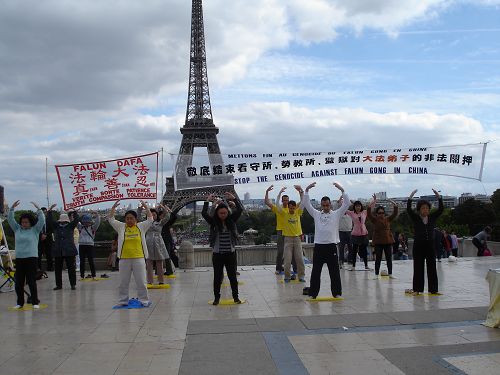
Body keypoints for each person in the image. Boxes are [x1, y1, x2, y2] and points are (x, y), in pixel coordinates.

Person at [300, 182, 349, 298]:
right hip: (319, 246)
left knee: (334, 272)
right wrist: (307, 190)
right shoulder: (317, 214)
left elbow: (346, 203)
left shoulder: (336, 214)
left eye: (327, 205)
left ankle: (336, 293)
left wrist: (342, 189)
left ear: (330, 205)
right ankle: (313, 293)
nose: (325, 207)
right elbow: (307, 204)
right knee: (316, 271)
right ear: (321, 205)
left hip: (331, 245)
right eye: (323, 205)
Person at [108, 200, 153, 307]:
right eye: (127, 218)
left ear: (136, 219)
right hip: (124, 258)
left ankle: (144, 300)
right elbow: (111, 219)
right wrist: (113, 208)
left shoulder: (141, 227)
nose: (129, 220)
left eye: (131, 218)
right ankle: (123, 300)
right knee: (123, 282)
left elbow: (150, 219)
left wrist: (146, 208)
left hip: (139, 258)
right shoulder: (121, 227)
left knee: (141, 281)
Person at [202, 192, 243, 305]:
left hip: (230, 253)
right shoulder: (214, 222)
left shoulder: (231, 221)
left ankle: (235, 297)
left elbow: (240, 210)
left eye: (225, 213)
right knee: (217, 277)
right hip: (218, 254)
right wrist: (207, 201)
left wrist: (234, 199)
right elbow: (204, 213)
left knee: (232, 277)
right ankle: (217, 298)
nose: (223, 215)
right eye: (221, 213)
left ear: (228, 213)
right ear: (217, 213)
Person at [7, 200, 45, 309]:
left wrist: (38, 210)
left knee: (32, 281)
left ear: (31, 222)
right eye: (23, 222)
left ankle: (34, 302)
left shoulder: (35, 230)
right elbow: (10, 220)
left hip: (31, 258)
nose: (24, 224)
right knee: (18, 282)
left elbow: (42, 220)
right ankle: (20, 302)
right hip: (19, 259)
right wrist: (12, 209)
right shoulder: (17, 229)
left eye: (26, 222)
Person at [406, 189, 443, 295]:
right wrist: (410, 198)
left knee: (432, 267)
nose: (425, 210)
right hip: (418, 245)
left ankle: (433, 289)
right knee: (418, 267)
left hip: (430, 245)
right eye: (423, 208)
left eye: (427, 208)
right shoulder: (416, 218)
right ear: (419, 210)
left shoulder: (432, 217)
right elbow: (409, 210)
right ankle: (417, 289)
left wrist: (439, 197)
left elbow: (440, 210)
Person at [270, 186, 306, 283]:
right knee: (287, 260)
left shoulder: (298, 212)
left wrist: (301, 192)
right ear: (288, 207)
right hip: (288, 240)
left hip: (297, 239)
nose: (292, 210)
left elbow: (303, 202)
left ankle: (301, 276)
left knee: (299, 259)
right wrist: (279, 194)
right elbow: (277, 204)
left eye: (293, 208)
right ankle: (287, 277)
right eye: (290, 208)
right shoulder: (284, 213)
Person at [265, 186, 298, 276]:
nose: (286, 202)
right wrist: (267, 192)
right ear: (282, 201)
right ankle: (279, 268)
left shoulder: (292, 209)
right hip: (280, 231)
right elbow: (267, 202)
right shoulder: (278, 209)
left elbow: (302, 204)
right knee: (280, 251)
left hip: (290, 232)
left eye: (287, 200)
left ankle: (295, 268)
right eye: (284, 200)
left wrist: (301, 192)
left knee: (294, 251)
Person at [367, 195, 399, 279]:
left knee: (389, 259)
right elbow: (369, 213)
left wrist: (394, 204)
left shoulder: (388, 219)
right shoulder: (374, 220)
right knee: (378, 259)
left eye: (382, 212)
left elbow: (395, 213)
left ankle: (390, 274)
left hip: (388, 241)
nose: (381, 214)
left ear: (384, 213)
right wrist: (372, 203)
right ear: (377, 214)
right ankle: (376, 274)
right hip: (378, 242)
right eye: (379, 213)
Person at [48, 208, 79, 290]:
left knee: (71, 269)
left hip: (69, 250)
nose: (63, 223)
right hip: (59, 250)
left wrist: (75, 212)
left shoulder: (70, 226)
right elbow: (50, 220)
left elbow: (76, 220)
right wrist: (49, 212)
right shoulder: (56, 226)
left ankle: (73, 284)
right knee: (58, 269)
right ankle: (59, 285)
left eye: (64, 221)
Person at [143, 204, 173, 285]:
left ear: (157, 215)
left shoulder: (160, 223)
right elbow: (138, 218)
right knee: (149, 263)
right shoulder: (146, 223)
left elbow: (167, 217)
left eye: (154, 214)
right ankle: (149, 281)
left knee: (159, 263)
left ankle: (161, 280)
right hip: (149, 243)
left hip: (158, 243)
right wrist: (140, 209)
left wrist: (164, 208)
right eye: (151, 214)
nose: (153, 216)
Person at [346, 201, 369, 270]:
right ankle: (353, 266)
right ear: (354, 207)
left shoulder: (364, 212)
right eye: (356, 206)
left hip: (363, 233)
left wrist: (374, 201)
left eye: (359, 206)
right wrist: (341, 201)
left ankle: (366, 265)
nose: (358, 207)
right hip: (355, 233)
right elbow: (344, 209)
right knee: (354, 250)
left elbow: (371, 208)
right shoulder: (352, 213)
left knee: (364, 250)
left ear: (361, 206)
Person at [77, 212, 101, 279]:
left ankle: (93, 275)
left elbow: (97, 223)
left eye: (87, 222)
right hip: (82, 245)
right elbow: (75, 222)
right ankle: (82, 275)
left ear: (90, 222)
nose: (86, 223)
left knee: (91, 261)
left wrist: (97, 215)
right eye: (85, 222)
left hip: (90, 245)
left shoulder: (93, 228)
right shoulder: (80, 227)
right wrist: (76, 214)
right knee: (82, 261)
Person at [37, 207, 54, 272]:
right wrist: (41, 235)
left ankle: (50, 267)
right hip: (39, 239)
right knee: (39, 254)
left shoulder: (49, 220)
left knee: (49, 254)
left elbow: (52, 230)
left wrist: (46, 235)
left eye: (45, 212)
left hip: (48, 239)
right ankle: (38, 268)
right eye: (43, 212)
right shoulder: (37, 220)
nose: (44, 214)